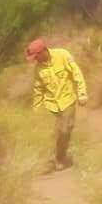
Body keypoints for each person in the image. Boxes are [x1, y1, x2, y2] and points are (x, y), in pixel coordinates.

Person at [26, 37, 88, 171]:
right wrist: (36, 109)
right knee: (50, 133)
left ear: (44, 51)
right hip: (50, 105)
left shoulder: (62, 55)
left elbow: (77, 74)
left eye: (37, 56)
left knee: (64, 131)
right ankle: (50, 161)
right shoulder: (38, 69)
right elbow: (38, 89)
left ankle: (61, 157)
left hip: (67, 101)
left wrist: (82, 93)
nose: (35, 60)